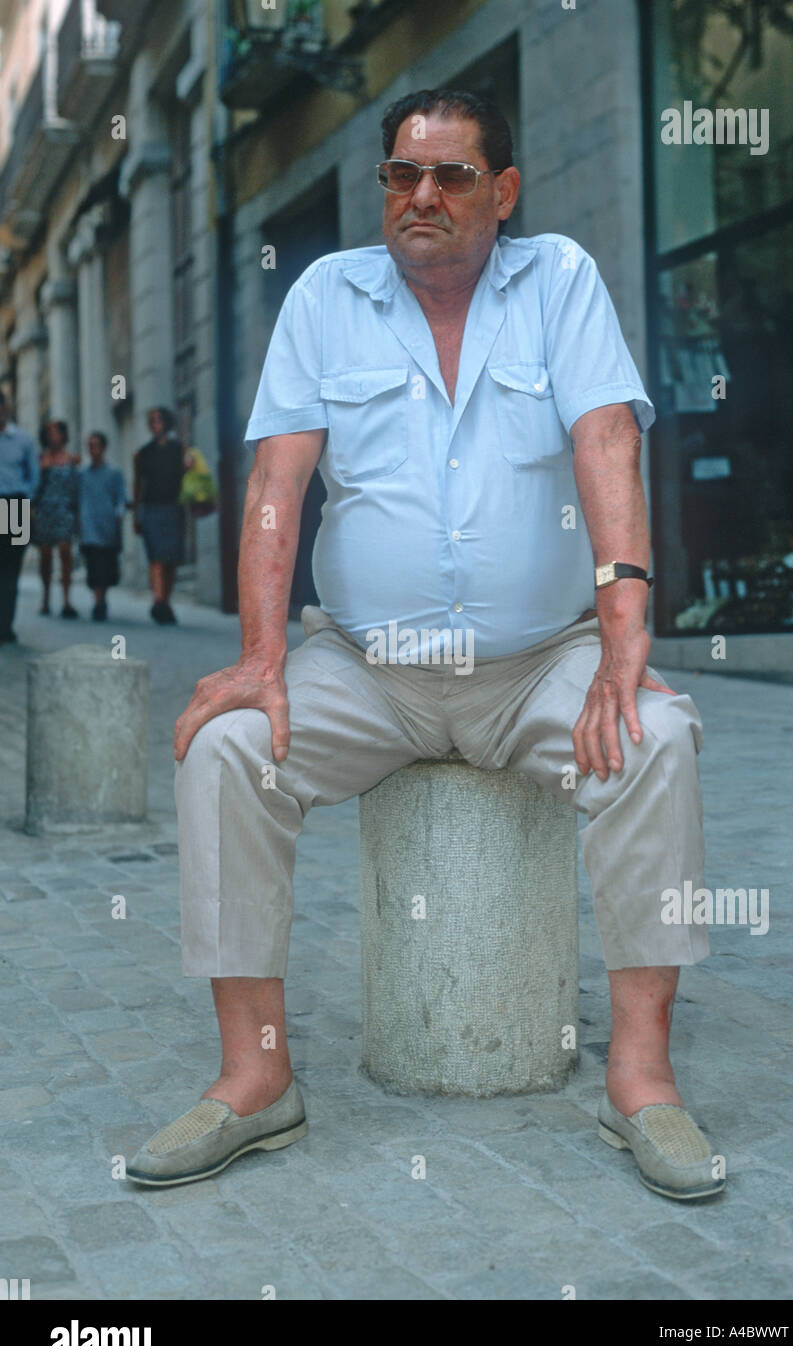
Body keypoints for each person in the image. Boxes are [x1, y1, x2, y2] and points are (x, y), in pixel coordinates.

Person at [128, 90, 723, 1202]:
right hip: (364, 670)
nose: (422, 196)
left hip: (534, 661)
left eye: (450, 176)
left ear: (500, 192)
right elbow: (276, 487)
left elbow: (605, 444)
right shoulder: (324, 298)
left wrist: (620, 638)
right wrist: (261, 655)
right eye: (402, 175)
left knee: (655, 740)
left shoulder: (557, 282)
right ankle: (255, 1078)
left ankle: (642, 1076)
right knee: (225, 751)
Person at [133, 406, 188, 624]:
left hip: (174, 507)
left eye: (158, 420)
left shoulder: (179, 449)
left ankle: (166, 600)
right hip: (152, 508)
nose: (155, 424)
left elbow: (189, 477)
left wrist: (189, 466)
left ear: (166, 423)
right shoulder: (143, 453)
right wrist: (137, 514)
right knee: (156, 556)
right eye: (152, 421)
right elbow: (138, 484)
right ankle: (158, 601)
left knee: (171, 559)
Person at [0, 389, 39, 645]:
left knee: (11, 569)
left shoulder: (23, 440)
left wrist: (25, 499)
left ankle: (5, 626)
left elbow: (34, 475)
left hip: (15, 506)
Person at [32, 419, 81, 618]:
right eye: (49, 432)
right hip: (45, 511)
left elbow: (77, 488)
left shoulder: (72, 459)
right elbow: (33, 488)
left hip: (65, 511)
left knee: (65, 553)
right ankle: (45, 598)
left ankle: (67, 599)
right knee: (45, 556)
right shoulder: (40, 459)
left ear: (63, 435)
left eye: (56, 432)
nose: (53, 436)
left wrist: (78, 514)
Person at [79, 431, 126, 622]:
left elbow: (121, 497)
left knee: (106, 566)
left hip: (108, 526)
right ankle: (98, 600)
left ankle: (102, 599)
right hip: (88, 526)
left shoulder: (114, 472)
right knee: (93, 566)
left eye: (97, 445)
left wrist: (119, 515)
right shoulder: (82, 473)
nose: (93, 449)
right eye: (90, 445)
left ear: (104, 448)